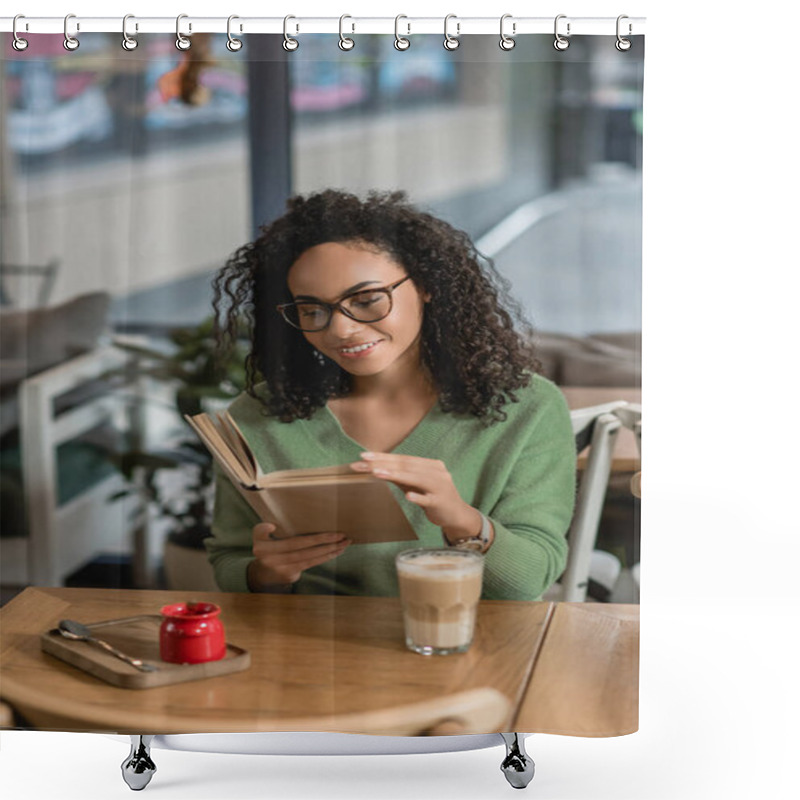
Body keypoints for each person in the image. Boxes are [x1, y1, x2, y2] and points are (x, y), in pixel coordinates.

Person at [206, 189, 575, 600]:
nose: (340, 330)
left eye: (365, 300)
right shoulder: (257, 416)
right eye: (311, 310)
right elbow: (230, 563)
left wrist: (460, 519)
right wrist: (265, 573)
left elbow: (527, 583)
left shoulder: (526, 408)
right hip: (311, 650)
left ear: (426, 285)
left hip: (466, 645)